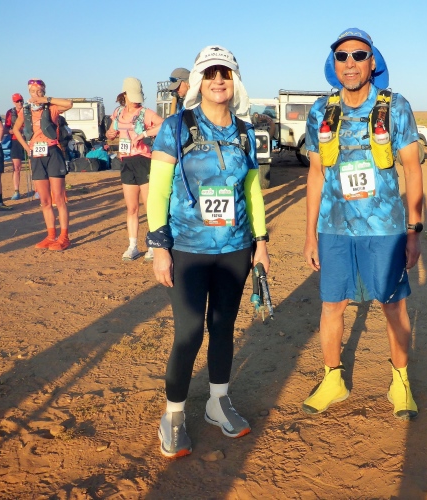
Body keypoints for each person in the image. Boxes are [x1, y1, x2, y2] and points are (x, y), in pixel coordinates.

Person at [147, 45, 269, 458]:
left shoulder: (245, 131)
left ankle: (218, 402)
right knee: (188, 333)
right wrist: (159, 248)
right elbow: (158, 190)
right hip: (187, 248)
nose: (219, 80)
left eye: (226, 73)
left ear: (235, 81)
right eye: (211, 73)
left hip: (235, 247)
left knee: (223, 327)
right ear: (200, 80)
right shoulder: (177, 126)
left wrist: (261, 243)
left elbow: (251, 190)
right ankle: (173, 415)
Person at [301, 28, 424, 420]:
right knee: (332, 305)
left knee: (392, 305)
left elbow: (412, 169)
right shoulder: (321, 111)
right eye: (342, 56)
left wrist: (414, 230)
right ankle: (333, 379)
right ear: (333, 64)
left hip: (384, 227)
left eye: (359, 55)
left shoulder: (395, 107)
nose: (350, 63)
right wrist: (310, 234)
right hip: (334, 226)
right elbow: (316, 173)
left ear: (373, 62)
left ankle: (400, 382)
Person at [106, 78, 163, 262]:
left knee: (149, 206)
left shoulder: (145, 113)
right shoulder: (118, 112)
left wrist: (144, 134)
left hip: (144, 160)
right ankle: (133, 246)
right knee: (131, 208)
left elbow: (164, 125)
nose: (136, 101)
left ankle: (153, 245)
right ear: (125, 95)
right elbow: (110, 132)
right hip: (126, 162)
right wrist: (110, 134)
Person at [12, 79, 73, 250]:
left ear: (44, 91)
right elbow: (16, 129)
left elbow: (69, 104)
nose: (36, 94)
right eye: (33, 91)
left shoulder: (51, 107)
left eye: (39, 91)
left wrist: (46, 99)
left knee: (59, 198)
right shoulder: (26, 110)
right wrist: (27, 148)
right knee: (45, 200)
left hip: (52, 153)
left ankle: (64, 237)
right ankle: (51, 235)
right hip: (36, 155)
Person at [5, 94, 26, 200]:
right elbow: (6, 128)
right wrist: (12, 131)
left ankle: (38, 190)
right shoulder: (10, 112)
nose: (20, 103)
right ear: (14, 102)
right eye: (17, 101)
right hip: (15, 141)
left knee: (34, 165)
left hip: (28, 140)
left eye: (21, 100)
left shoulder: (28, 111)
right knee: (16, 167)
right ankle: (16, 191)